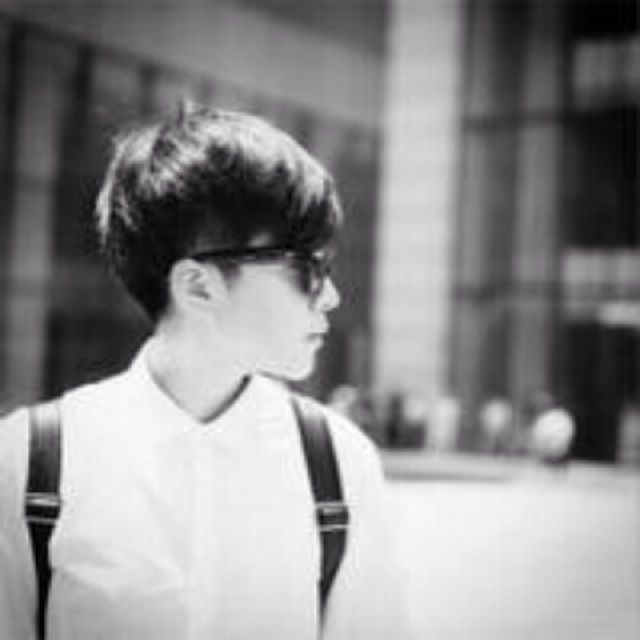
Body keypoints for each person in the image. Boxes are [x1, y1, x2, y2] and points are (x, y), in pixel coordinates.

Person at [0, 106, 405, 639]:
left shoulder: (339, 462)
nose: (330, 295)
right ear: (197, 286)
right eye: (308, 268)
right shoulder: (26, 464)